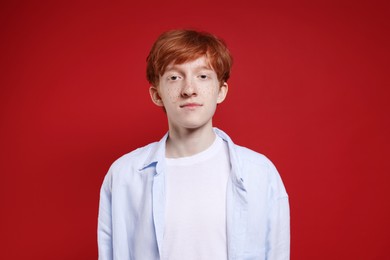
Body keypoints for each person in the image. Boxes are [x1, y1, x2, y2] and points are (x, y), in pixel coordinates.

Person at [98, 29, 290, 260]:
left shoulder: (260, 172)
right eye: (174, 77)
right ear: (157, 94)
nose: (189, 90)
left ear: (221, 91)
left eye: (202, 76)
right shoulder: (124, 175)